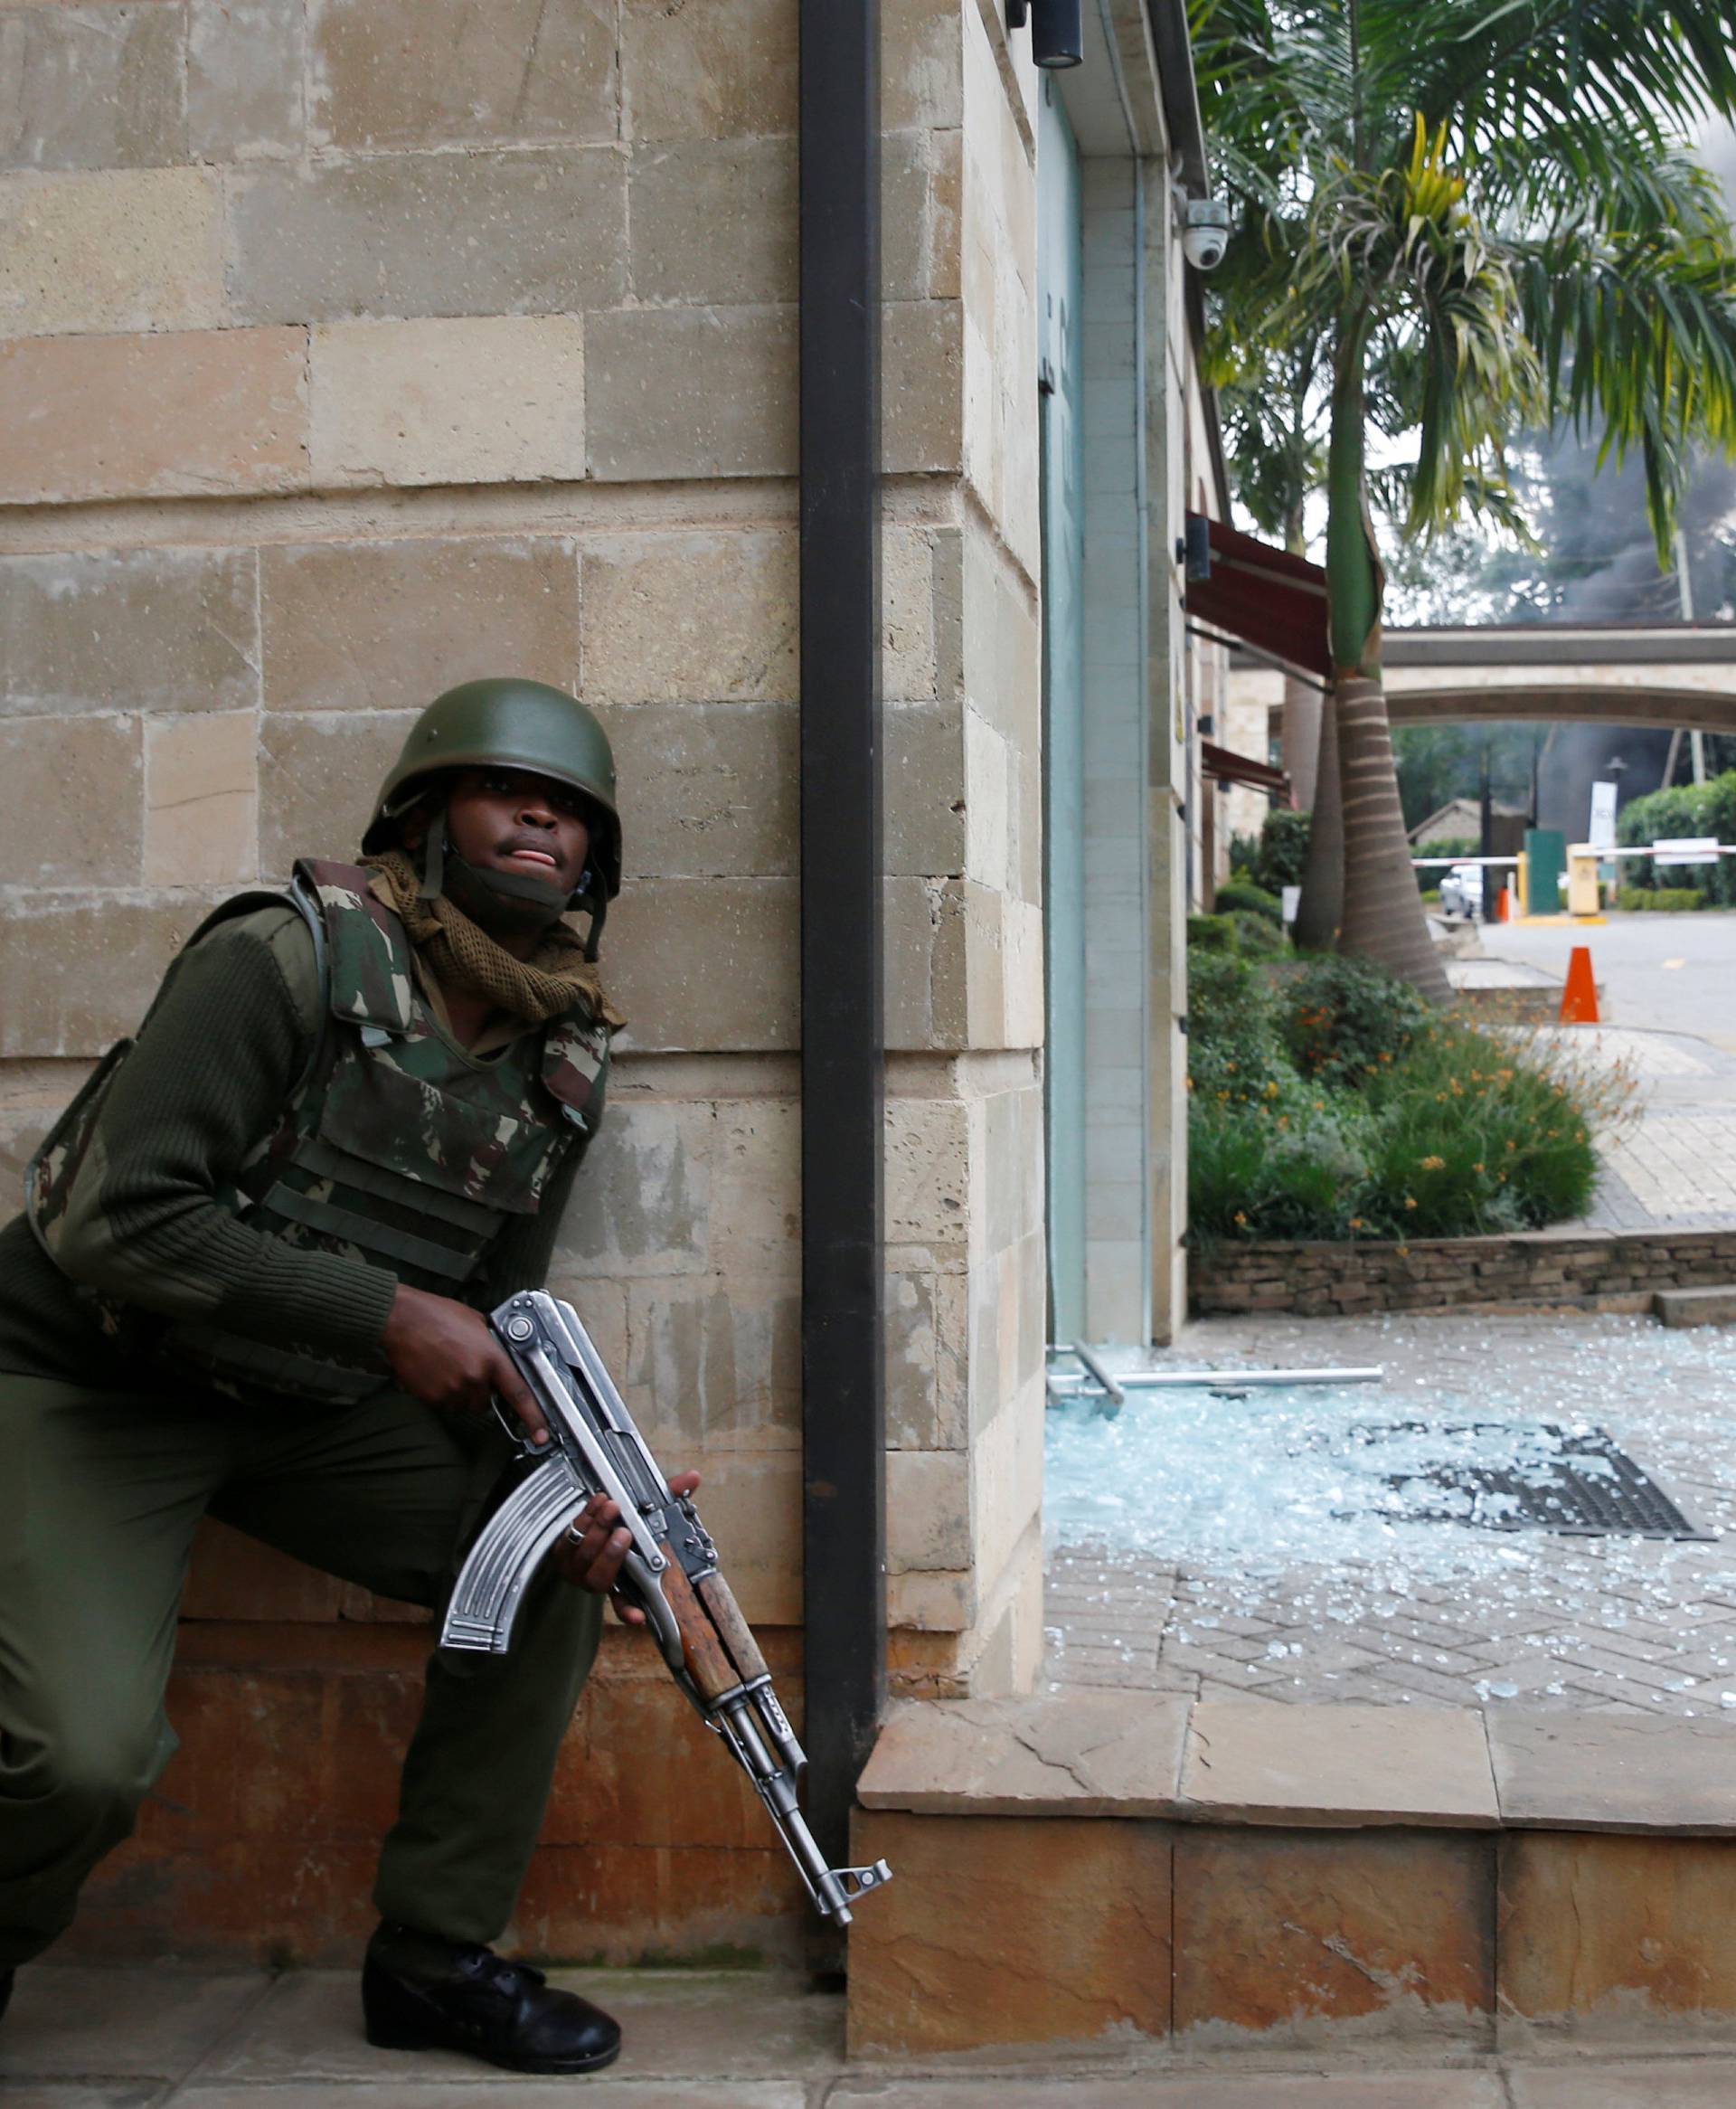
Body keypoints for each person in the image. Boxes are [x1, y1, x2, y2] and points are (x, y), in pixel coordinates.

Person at [0, 677, 681, 2076]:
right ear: (426, 819)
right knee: (80, 1759)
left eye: (570, 811)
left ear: (594, 867)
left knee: (556, 1549)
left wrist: (583, 1468)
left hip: (298, 1406)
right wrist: (384, 1317)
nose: (541, 814)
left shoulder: (561, 1066)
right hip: (85, 1376)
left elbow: (499, 1316)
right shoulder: (287, 959)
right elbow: (117, 1219)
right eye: (506, 790)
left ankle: (434, 1959)